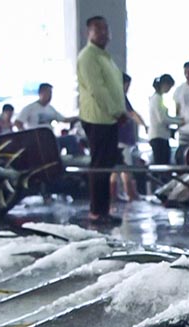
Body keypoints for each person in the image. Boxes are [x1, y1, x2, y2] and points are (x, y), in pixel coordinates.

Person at [76, 16, 127, 225]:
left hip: (108, 119)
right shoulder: (88, 57)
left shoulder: (104, 57)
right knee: (99, 166)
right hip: (98, 119)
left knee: (106, 165)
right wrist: (117, 111)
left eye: (106, 29)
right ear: (89, 33)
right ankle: (97, 212)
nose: (104, 33)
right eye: (98, 30)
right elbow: (99, 90)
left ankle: (102, 210)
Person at [15, 83, 81, 156]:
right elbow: (18, 122)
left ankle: (76, 160)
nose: (50, 96)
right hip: (37, 140)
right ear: (40, 93)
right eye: (48, 93)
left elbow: (64, 120)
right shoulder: (30, 108)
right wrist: (27, 136)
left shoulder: (51, 109)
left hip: (51, 138)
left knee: (70, 139)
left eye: (51, 93)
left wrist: (79, 117)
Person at [111, 73, 147, 204]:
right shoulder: (119, 98)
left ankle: (115, 193)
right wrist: (142, 124)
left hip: (119, 139)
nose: (128, 88)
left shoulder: (119, 98)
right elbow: (132, 114)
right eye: (127, 85)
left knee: (117, 168)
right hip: (121, 139)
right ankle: (130, 193)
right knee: (125, 166)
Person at [148, 74, 183, 165]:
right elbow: (162, 119)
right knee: (161, 163)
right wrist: (178, 121)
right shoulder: (157, 99)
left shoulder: (157, 98)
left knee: (163, 161)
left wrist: (178, 119)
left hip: (161, 136)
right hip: (158, 136)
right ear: (164, 84)